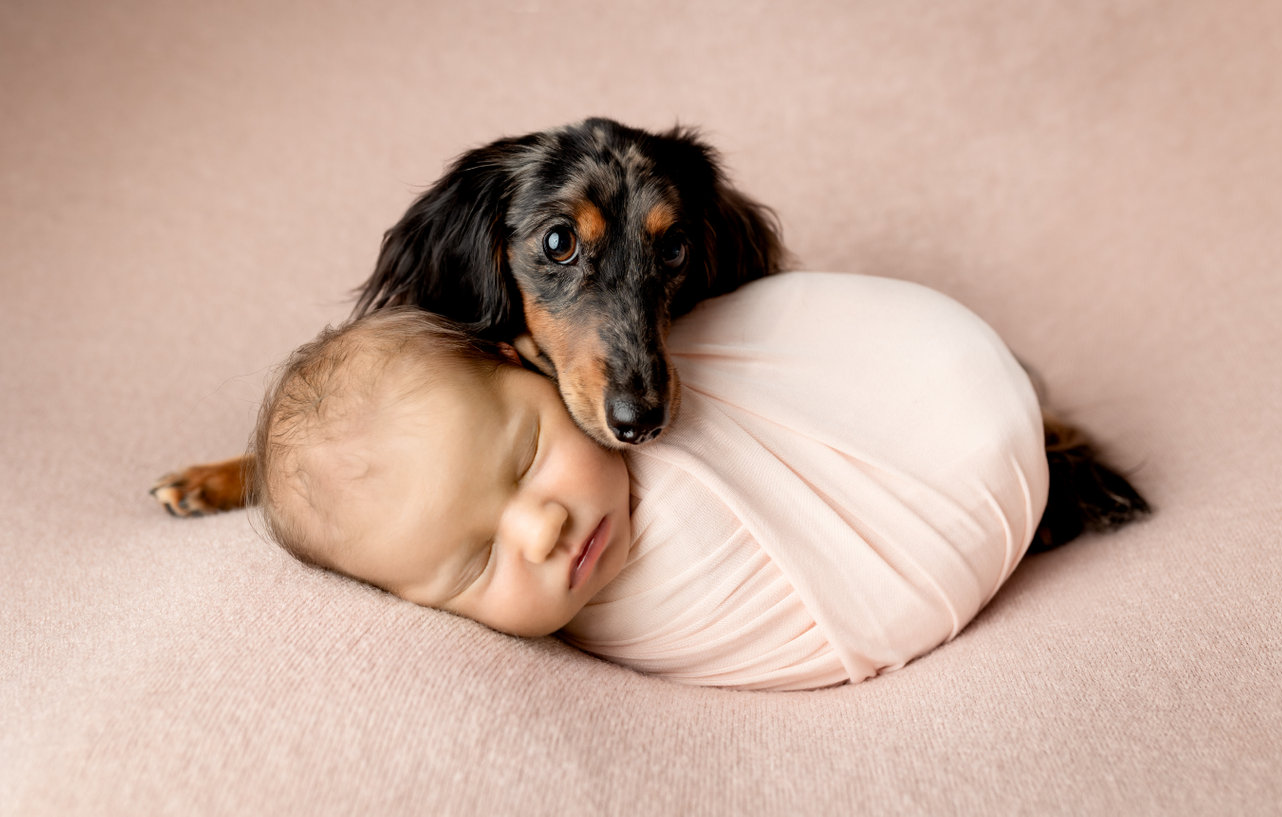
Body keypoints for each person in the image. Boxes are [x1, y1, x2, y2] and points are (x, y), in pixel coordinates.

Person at [253, 272, 1048, 691]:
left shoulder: (644, 391)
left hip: (939, 389)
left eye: (527, 456)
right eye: (477, 562)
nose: (541, 528)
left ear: (521, 357)